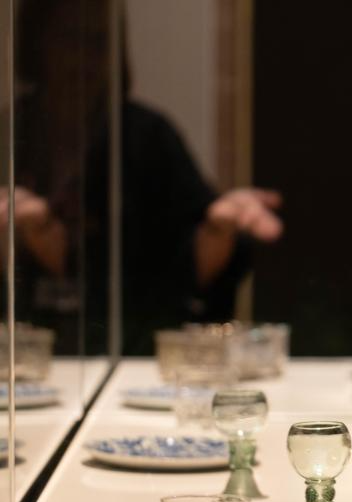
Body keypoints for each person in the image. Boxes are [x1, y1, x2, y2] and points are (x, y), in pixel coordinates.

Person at [1, 0, 283, 354]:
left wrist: (216, 234)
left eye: (99, 43)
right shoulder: (8, 134)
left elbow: (182, 279)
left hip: (135, 364)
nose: (84, 59)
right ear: (37, 44)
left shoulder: (147, 138)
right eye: (71, 39)